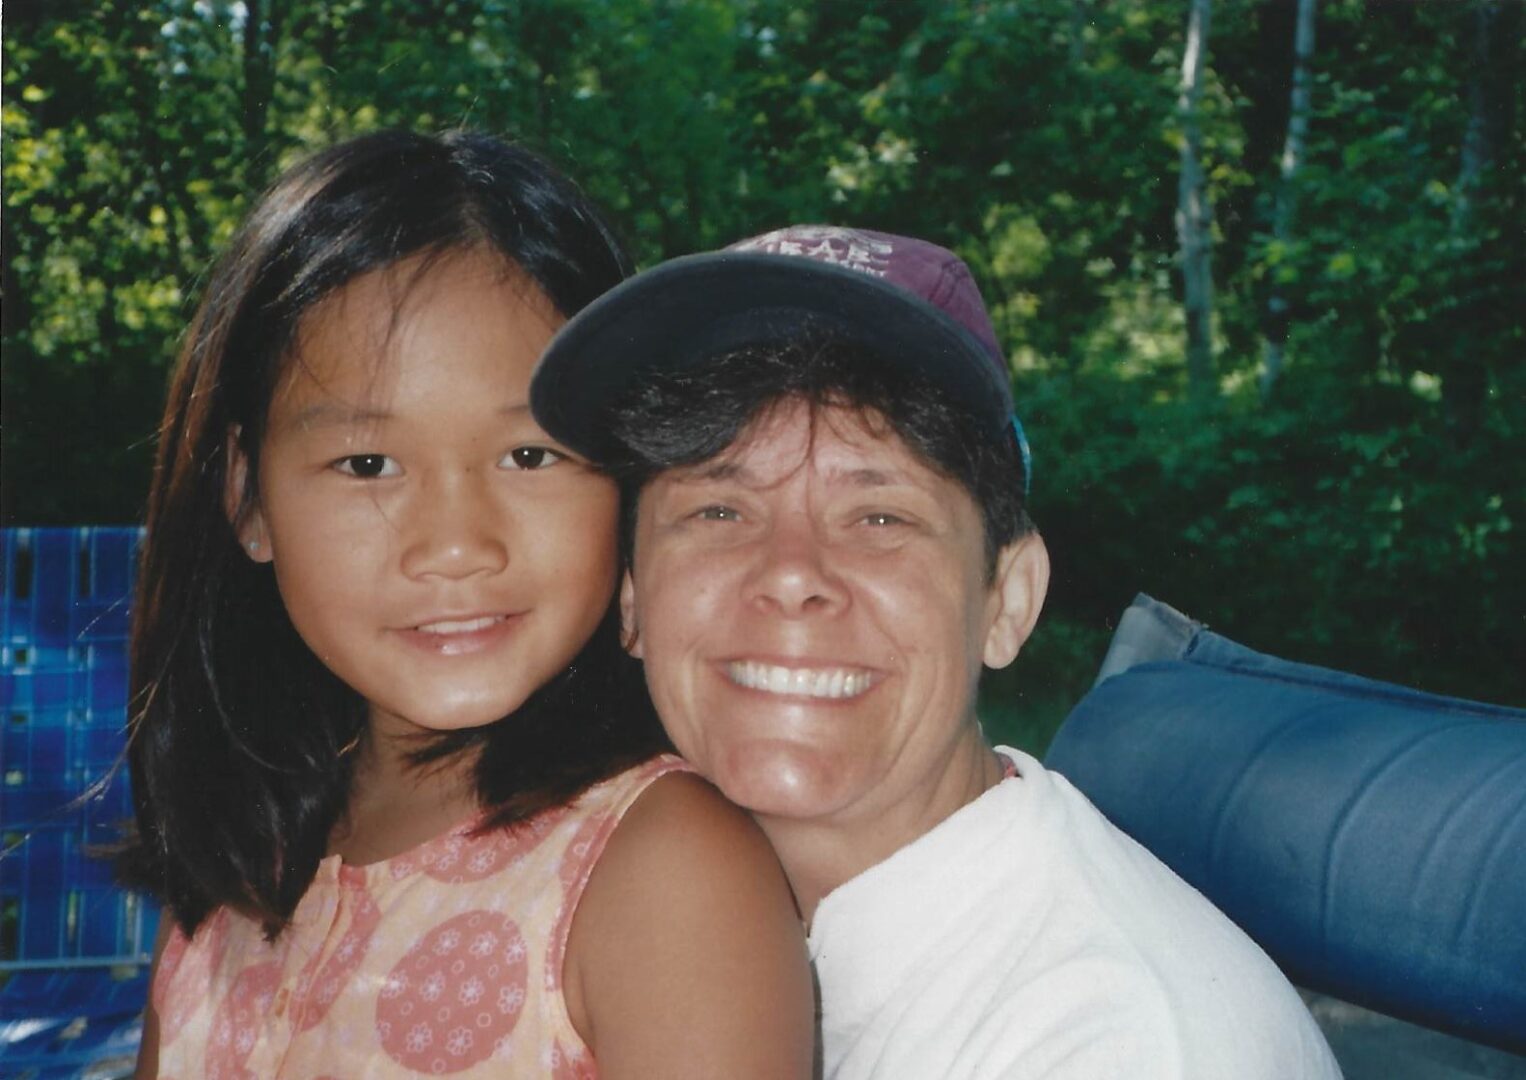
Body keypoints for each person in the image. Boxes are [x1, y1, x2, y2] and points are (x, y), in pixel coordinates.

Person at [530, 225, 1344, 1078]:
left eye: (880, 517)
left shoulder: (1112, 1043)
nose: (791, 576)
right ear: (633, 598)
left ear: (1008, 599)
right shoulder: (639, 914)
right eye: (718, 511)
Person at [121, 132, 813, 1079]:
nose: (454, 545)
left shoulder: (663, 874)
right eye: (368, 464)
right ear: (248, 499)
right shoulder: (237, 873)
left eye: (529, 455)